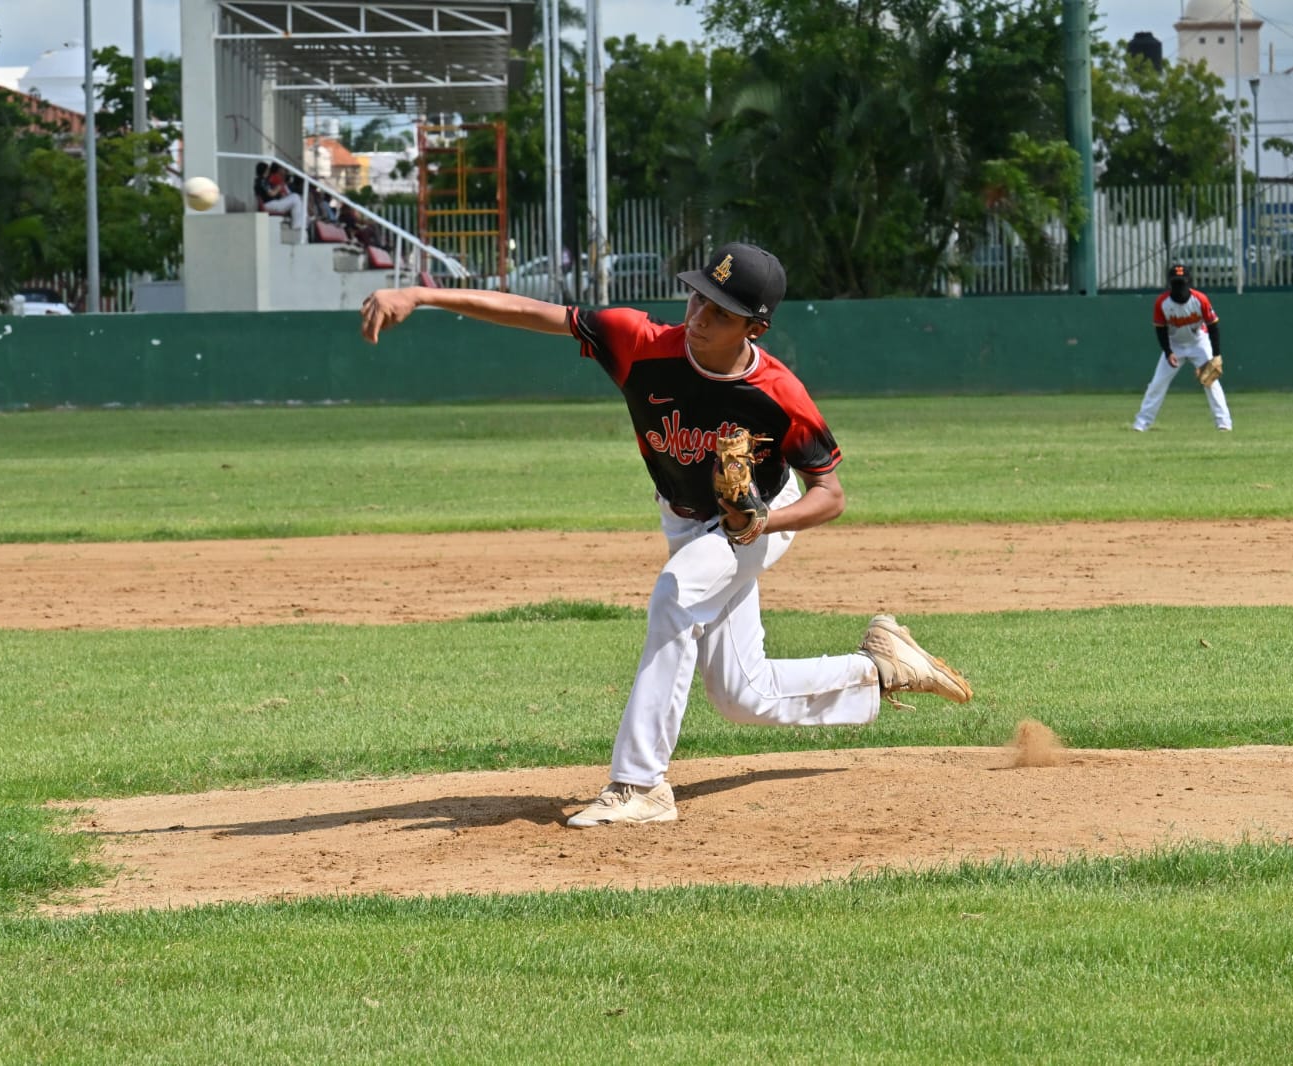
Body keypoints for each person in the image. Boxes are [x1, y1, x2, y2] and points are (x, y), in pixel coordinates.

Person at [360, 242, 974, 828]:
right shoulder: (638, 342)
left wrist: (761, 521)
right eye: (699, 296)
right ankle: (879, 669)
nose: (699, 316)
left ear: (754, 328)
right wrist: (422, 295)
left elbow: (829, 495)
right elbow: (531, 312)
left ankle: (640, 786)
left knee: (677, 594)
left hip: (762, 513)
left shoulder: (778, 394)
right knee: (742, 694)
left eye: (721, 311)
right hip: (684, 518)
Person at [1133, 262, 1231, 432]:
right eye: (1176, 283)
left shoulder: (1200, 299)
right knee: (1157, 383)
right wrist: (1168, 352)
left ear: (1189, 282)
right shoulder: (1162, 302)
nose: (1179, 287)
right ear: (1170, 283)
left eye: (1182, 282)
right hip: (1174, 345)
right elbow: (1160, 329)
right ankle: (1141, 423)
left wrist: (1216, 355)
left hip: (1199, 343)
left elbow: (1213, 325)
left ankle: (1224, 423)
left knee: (1211, 382)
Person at [260, 163, 307, 240]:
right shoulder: (267, 179)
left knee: (297, 198)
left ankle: (300, 226)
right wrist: (279, 189)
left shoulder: (266, 180)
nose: (285, 170)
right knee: (296, 197)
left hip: (273, 202)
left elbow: (280, 193)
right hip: (269, 204)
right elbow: (272, 193)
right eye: (283, 168)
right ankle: (297, 227)